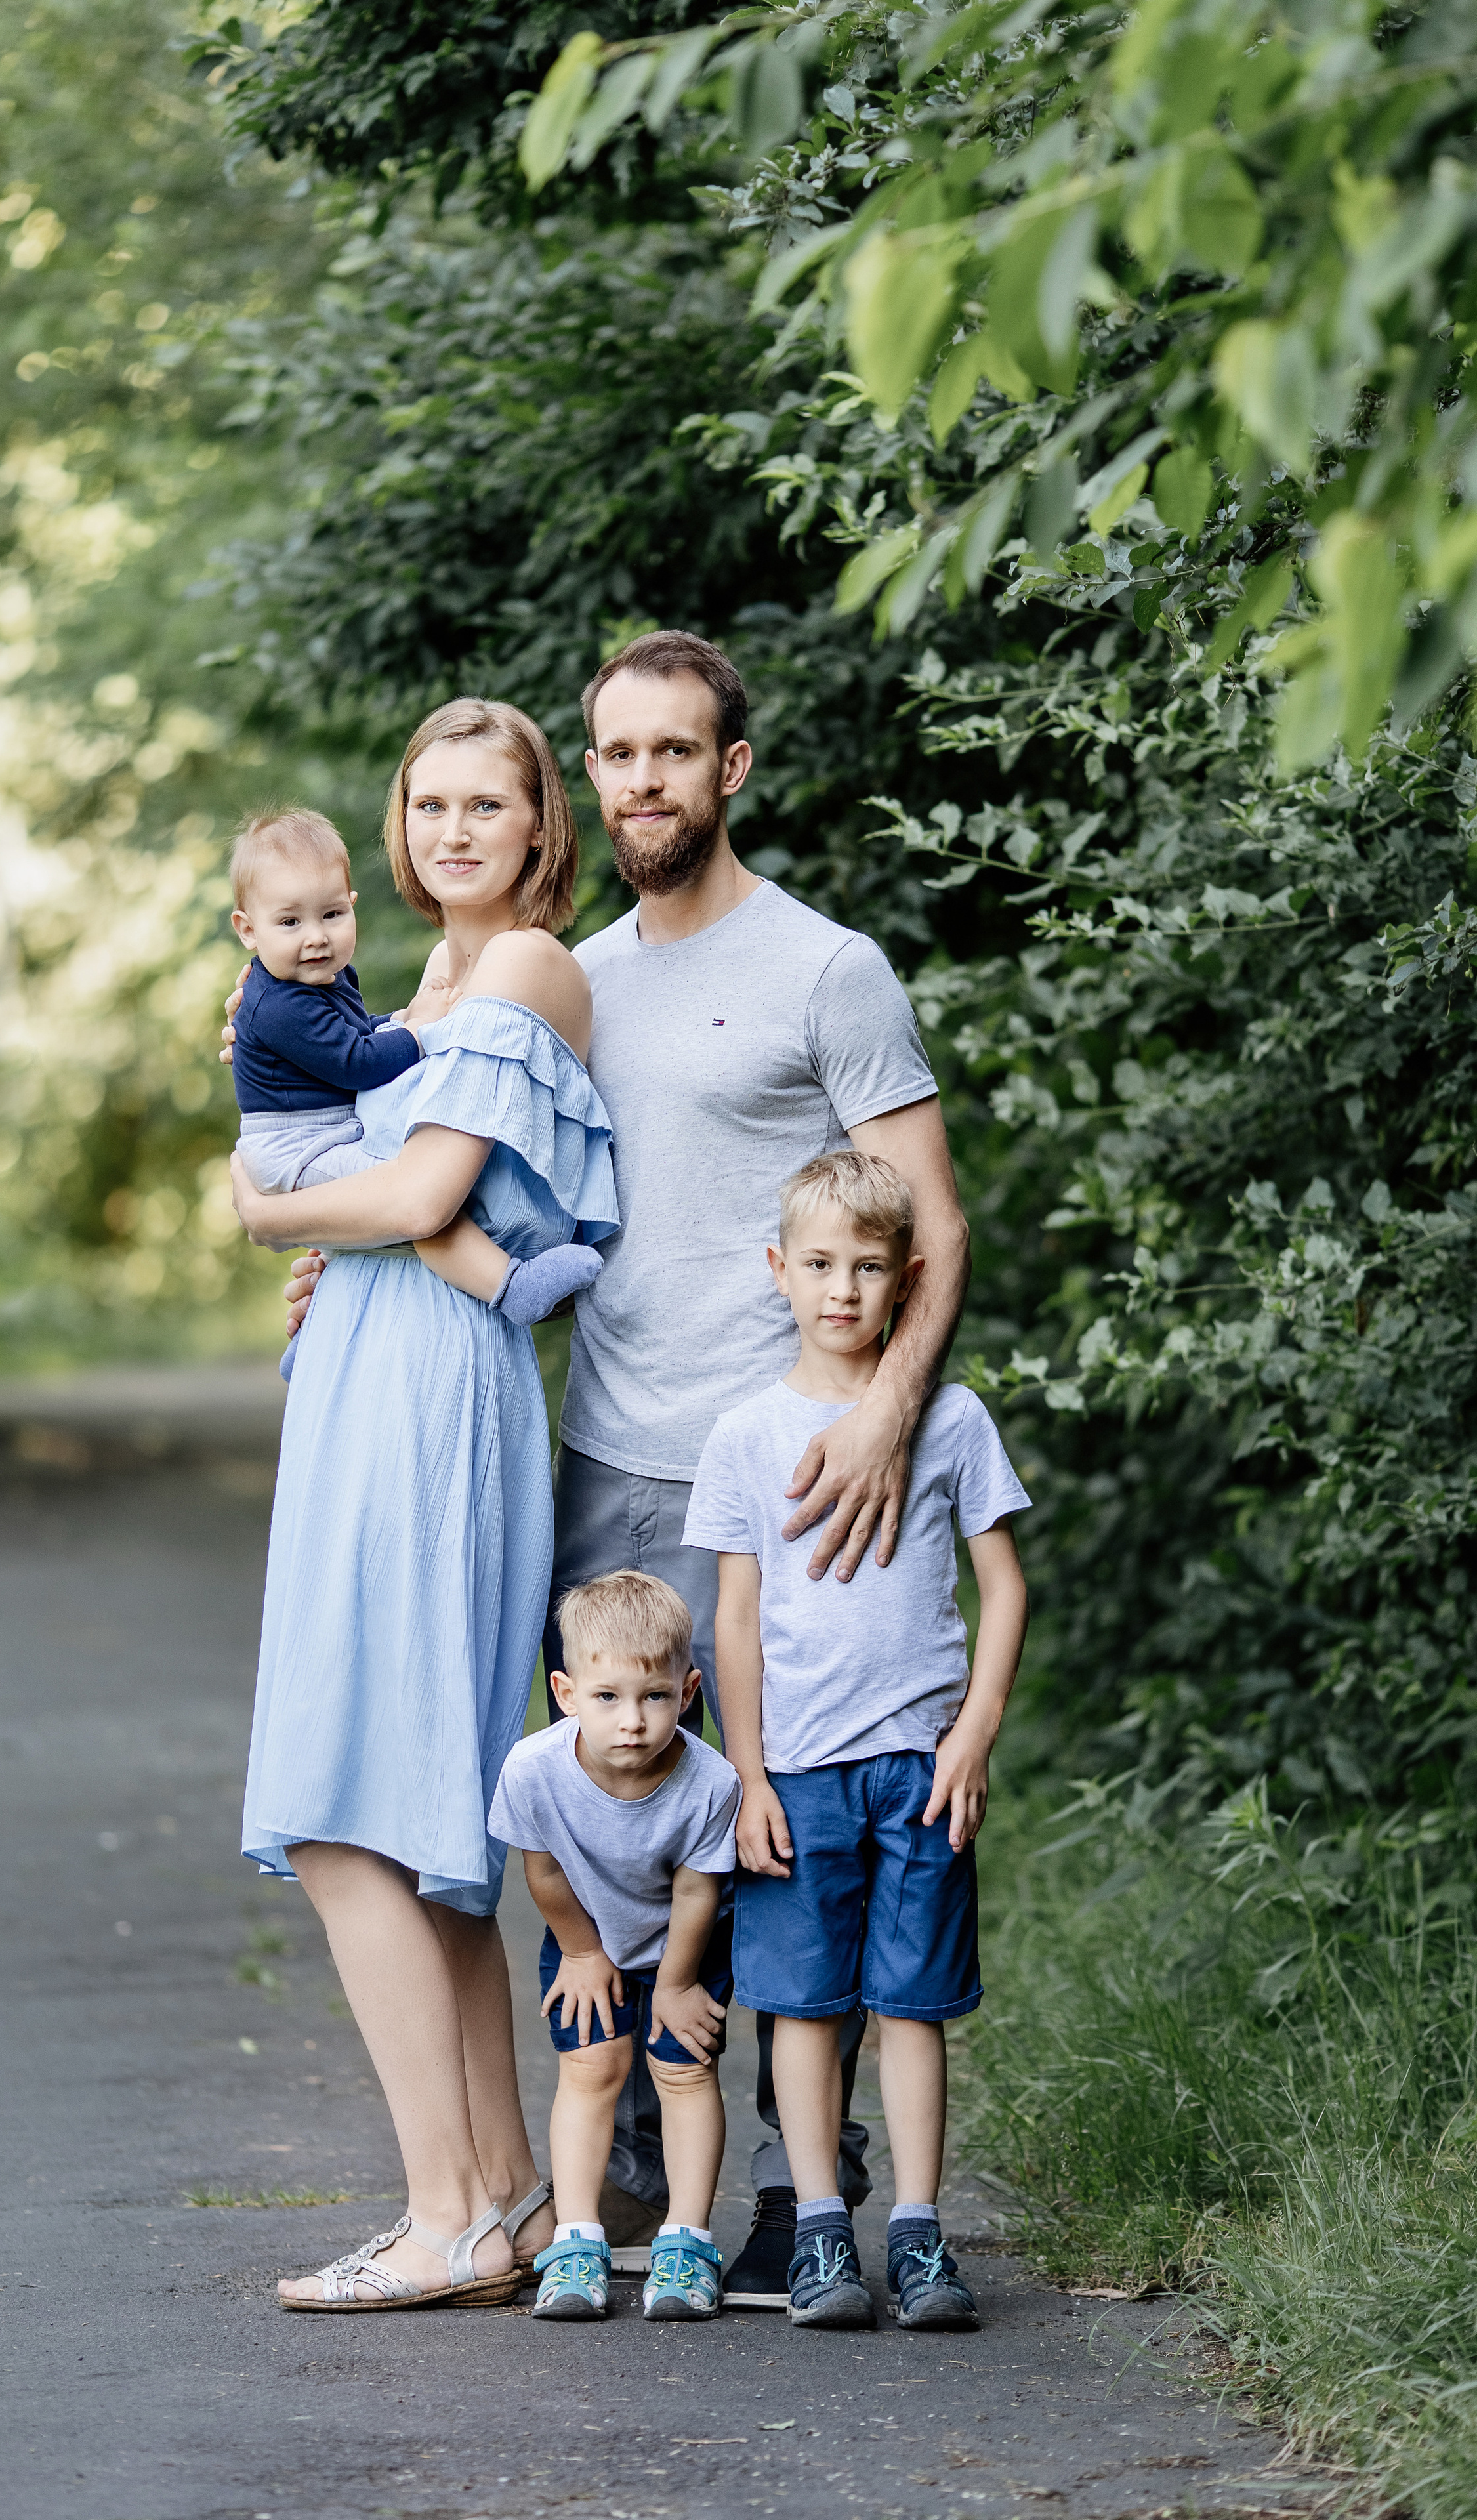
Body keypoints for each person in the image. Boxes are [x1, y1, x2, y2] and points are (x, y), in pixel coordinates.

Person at [273, 629, 974, 2304]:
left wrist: (879, 1418)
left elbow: (930, 1222)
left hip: (796, 1474)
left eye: (675, 750)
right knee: (614, 1810)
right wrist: (350, 1249)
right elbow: (493, 1188)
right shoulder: (565, 971)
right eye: (616, 752)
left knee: (788, 1828)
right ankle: (625, 2189)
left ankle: (810, 2192)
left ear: (729, 768)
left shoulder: (826, 967)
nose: (643, 778)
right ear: (587, 777)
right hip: (598, 1451)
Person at [229, 698, 618, 2311]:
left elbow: (416, 1197)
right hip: (369, 1373)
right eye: (427, 800)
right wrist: (328, 1222)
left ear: (541, 828)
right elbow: (377, 1186)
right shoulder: (397, 991)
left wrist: (266, 1212)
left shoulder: (524, 968)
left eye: (487, 802)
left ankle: (444, 2208)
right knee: (425, 1821)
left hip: (432, 1392)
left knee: (341, 1807)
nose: (453, 829)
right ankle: (504, 2196)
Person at [686, 1150, 1031, 2330]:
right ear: (778, 1271)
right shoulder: (743, 1434)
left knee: (916, 2006)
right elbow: (734, 1616)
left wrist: (974, 1733)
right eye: (821, 1264)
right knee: (802, 2006)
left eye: (870, 1268)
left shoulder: (952, 1418)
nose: (843, 1289)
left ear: (907, 1280)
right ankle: (823, 2234)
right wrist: (747, 1775)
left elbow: (1004, 1586)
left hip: (923, 1765)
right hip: (800, 1775)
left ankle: (922, 2238)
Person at [228, 801, 601, 1328]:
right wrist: (416, 1032)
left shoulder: (317, 979)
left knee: (395, 1198)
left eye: (332, 915)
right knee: (398, 1190)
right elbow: (357, 1062)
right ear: (248, 929)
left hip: (322, 1136)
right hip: (300, 1147)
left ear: (351, 905)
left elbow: (351, 1037)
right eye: (289, 922)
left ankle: (319, 1315)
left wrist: (400, 1021)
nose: (315, 937)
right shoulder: (282, 1003)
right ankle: (510, 1286)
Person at [488, 1570, 740, 2324]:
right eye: (607, 1698)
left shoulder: (710, 1782)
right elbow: (544, 1871)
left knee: (683, 2070)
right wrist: (582, 1951)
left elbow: (699, 1893)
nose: (632, 1720)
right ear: (565, 1693)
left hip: (683, 1949)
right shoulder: (533, 1770)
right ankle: (576, 2239)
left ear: (688, 1691)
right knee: (592, 2070)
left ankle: (686, 2242)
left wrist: (675, 1983)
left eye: (654, 1697)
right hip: (585, 1940)